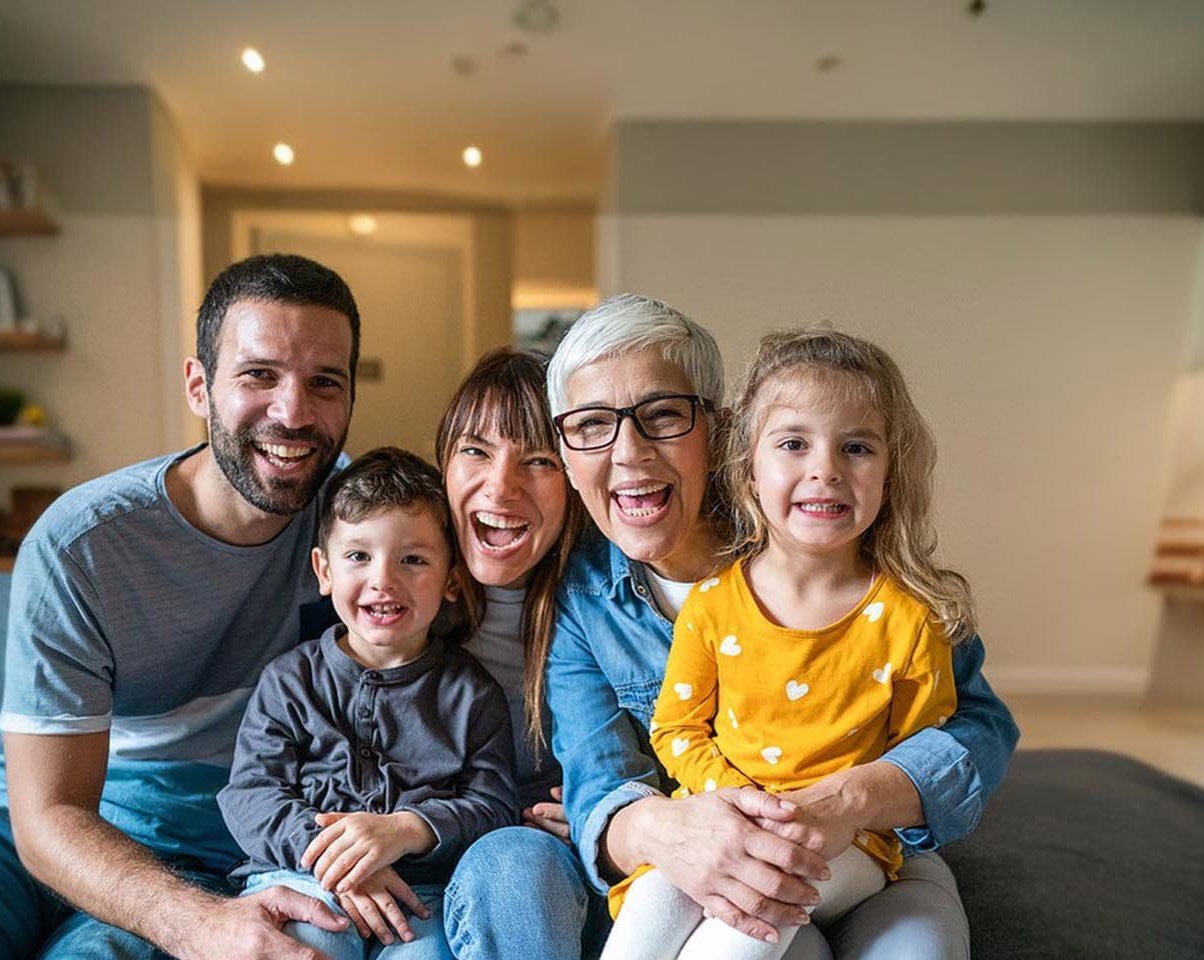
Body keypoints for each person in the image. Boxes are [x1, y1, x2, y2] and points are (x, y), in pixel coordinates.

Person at [0, 253, 365, 960]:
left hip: (194, 851)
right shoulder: (84, 543)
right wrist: (195, 924)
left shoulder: (360, 529)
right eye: (259, 374)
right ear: (198, 385)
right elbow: (48, 817)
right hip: (6, 828)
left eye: (325, 383)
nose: (293, 412)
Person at [545, 294, 1020, 959]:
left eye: (662, 415)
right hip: (698, 851)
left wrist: (848, 801)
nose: (629, 451)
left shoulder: (841, 548)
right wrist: (680, 829)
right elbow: (601, 781)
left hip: (869, 850)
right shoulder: (589, 601)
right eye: (591, 424)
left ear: (720, 430)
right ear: (566, 454)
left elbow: (974, 727)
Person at [219, 447, 518, 960]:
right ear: (324, 569)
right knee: (308, 944)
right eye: (359, 556)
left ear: (451, 579)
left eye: (413, 559)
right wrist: (334, 862)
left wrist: (409, 829)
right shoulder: (289, 682)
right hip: (302, 880)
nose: (384, 579)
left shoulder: (472, 694)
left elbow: (492, 805)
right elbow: (252, 794)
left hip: (420, 896)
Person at [429, 349, 604, 960]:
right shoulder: (394, 593)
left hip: (558, 873)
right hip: (429, 861)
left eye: (538, 460)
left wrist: (603, 813)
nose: (500, 486)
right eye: (475, 451)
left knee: (516, 866)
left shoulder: (608, 607)